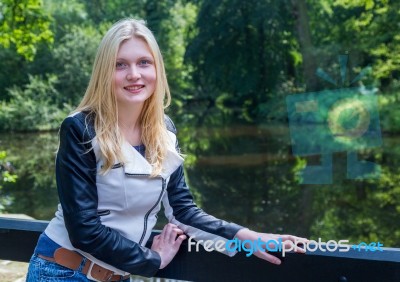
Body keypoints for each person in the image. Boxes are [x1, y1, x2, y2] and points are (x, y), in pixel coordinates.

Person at [26, 18, 307, 282]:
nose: (134, 74)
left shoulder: (164, 131)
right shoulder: (80, 128)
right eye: (120, 65)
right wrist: (152, 259)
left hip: (118, 275)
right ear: (104, 72)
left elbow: (183, 210)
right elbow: (84, 230)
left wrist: (246, 236)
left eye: (143, 63)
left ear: (157, 69)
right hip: (61, 271)